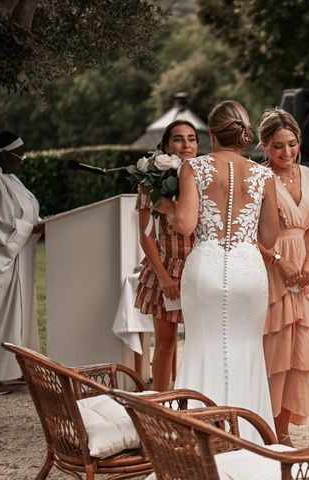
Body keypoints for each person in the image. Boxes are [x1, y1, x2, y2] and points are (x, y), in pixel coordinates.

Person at [164, 100, 280, 443]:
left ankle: (197, 437)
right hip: (248, 269)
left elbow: (185, 224)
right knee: (246, 350)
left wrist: (166, 207)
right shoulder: (263, 174)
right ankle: (249, 438)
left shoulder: (194, 168)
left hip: (206, 268)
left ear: (211, 133)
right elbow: (269, 237)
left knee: (202, 347)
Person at [257, 108, 309, 447]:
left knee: (297, 352)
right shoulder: (258, 178)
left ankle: (282, 431)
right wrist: (278, 260)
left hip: (302, 274)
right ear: (265, 146)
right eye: (278, 146)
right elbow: (249, 232)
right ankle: (263, 426)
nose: (286, 153)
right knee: (273, 350)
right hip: (271, 271)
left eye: (292, 144)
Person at [0, 132, 43, 395]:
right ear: (4, 154)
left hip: (15, 261)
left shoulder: (6, 176)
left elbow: (21, 212)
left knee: (13, 318)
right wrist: (32, 228)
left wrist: (36, 224)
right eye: (20, 155)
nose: (23, 160)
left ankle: (8, 368)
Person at [134, 120, 197, 391]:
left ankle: (195, 402)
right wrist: (163, 276)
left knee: (200, 343)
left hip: (200, 267)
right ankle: (161, 402)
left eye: (192, 139)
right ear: (166, 145)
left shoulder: (206, 178)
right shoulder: (151, 183)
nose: (186, 145)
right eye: (179, 139)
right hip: (167, 266)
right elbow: (146, 234)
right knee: (166, 342)